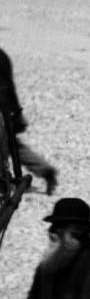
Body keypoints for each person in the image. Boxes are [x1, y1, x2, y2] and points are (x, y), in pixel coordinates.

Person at [0, 48, 59, 194]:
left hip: (3, 111)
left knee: (9, 146)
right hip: (7, 109)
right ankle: (45, 169)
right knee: (13, 145)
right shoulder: (2, 56)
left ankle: (4, 181)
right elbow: (9, 87)